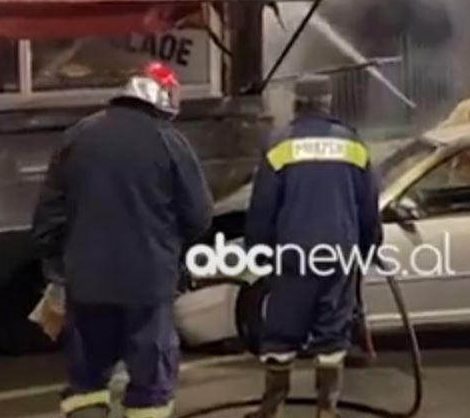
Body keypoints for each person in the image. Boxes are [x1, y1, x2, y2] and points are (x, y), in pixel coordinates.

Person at [32, 61, 213, 418]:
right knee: (150, 385)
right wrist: (169, 249)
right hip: (148, 287)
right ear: (162, 97)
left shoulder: (77, 136)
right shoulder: (170, 142)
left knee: (86, 383)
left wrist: (59, 270)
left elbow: (46, 221)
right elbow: (199, 216)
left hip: (86, 285)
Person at [244, 74, 382, 418]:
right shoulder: (352, 144)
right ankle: (326, 409)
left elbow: (262, 207)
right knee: (332, 335)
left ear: (297, 103)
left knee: (280, 334)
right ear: (328, 102)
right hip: (338, 257)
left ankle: (272, 409)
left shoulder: (279, 145)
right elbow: (368, 205)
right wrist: (368, 248)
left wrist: (257, 250)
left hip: (293, 259)